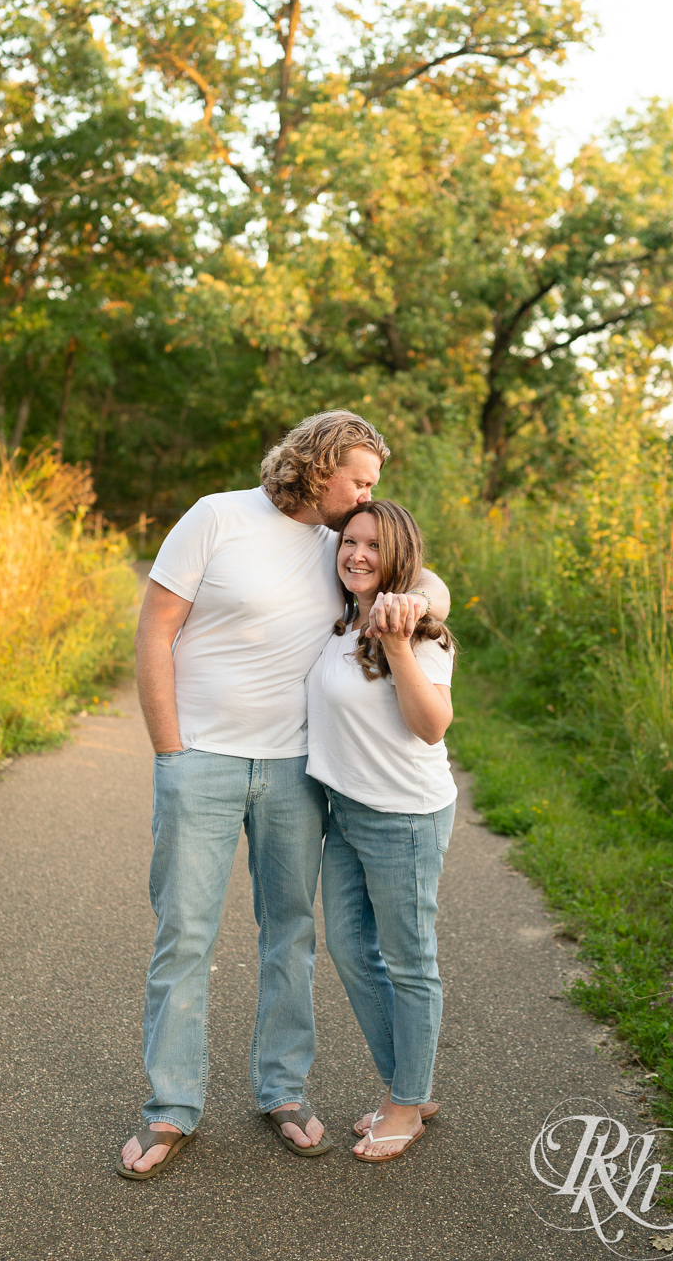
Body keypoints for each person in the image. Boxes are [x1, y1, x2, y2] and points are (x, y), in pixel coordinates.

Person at [119, 411, 449, 1179]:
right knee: (186, 934)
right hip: (200, 759)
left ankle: (283, 1091)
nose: (370, 493)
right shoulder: (217, 516)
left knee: (291, 933)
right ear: (321, 464)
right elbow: (155, 629)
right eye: (361, 478)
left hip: (298, 771)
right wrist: (170, 749)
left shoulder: (345, 544)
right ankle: (171, 1107)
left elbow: (420, 577)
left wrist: (424, 606)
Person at [305, 500, 456, 1163]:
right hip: (347, 812)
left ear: (398, 555)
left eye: (372, 545)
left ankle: (406, 1103)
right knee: (347, 946)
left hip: (407, 816)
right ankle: (411, 1084)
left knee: (409, 960)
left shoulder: (419, 631)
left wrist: (398, 641)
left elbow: (432, 725)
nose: (357, 554)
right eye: (349, 541)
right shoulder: (340, 615)